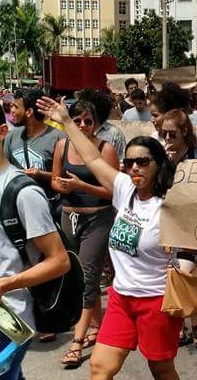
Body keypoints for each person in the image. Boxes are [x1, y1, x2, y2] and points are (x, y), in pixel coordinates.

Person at [37, 96, 183, 380]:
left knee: (161, 369)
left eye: (143, 162)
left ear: (158, 164)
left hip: (158, 302)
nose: (135, 168)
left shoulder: (171, 203)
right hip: (121, 300)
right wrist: (66, 121)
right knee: (100, 367)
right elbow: (92, 158)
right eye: (129, 162)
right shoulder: (124, 187)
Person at [0, 105, 70, 380]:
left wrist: (5, 284)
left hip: (10, 317)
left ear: (3, 132)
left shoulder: (22, 192)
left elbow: (59, 261)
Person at [51, 101, 119, 369]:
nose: (81, 126)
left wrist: (82, 186)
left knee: (88, 277)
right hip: (69, 216)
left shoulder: (106, 149)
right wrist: (63, 186)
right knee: (75, 275)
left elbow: (115, 191)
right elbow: (54, 179)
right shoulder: (61, 146)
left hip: (98, 218)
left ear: (96, 123)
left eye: (87, 121)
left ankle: (76, 342)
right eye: (76, 120)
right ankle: (99, 327)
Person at [160, 109, 197, 350]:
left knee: (186, 270)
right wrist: (163, 161)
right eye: (164, 134)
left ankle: (196, 321)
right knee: (172, 271)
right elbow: (156, 185)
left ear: (184, 132)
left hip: (191, 224)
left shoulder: (196, 155)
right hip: (167, 221)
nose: (167, 138)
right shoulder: (161, 156)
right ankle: (185, 324)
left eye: (172, 134)